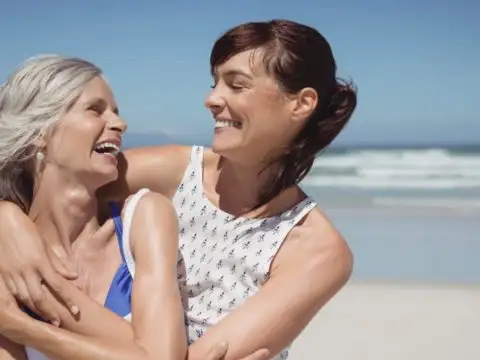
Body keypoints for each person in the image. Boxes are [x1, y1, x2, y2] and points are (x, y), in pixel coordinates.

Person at [0, 19, 356, 359]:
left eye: (236, 84)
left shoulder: (316, 249)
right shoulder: (172, 171)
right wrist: (8, 218)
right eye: (214, 82)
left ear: (301, 103)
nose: (211, 99)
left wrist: (28, 325)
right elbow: (50, 176)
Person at [0, 55, 267, 360]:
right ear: (39, 133)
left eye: (115, 112)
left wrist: (24, 328)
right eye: (95, 110)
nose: (120, 124)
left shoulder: (143, 217)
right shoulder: (7, 253)